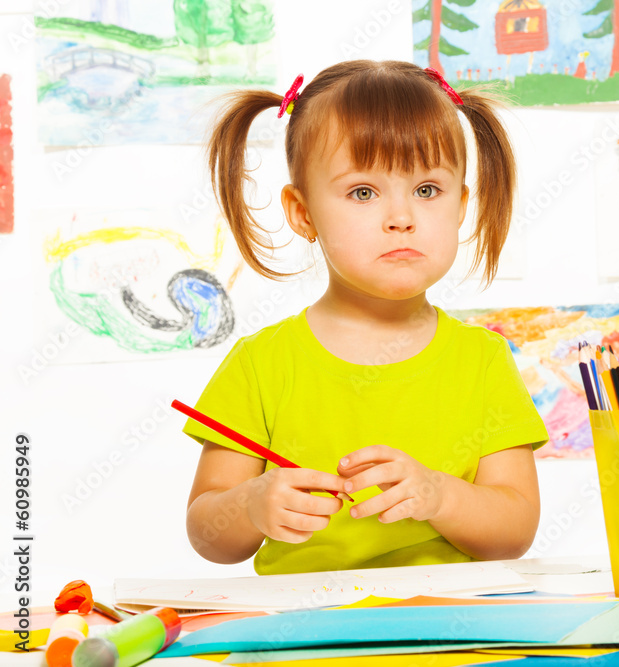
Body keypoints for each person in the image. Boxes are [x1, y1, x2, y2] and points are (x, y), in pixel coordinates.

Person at [183, 60, 548, 575]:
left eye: (427, 190)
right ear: (302, 212)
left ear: (461, 204)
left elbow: (515, 531)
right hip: (301, 640)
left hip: (450, 634)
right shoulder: (260, 364)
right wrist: (249, 504)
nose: (401, 218)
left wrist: (440, 495)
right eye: (362, 192)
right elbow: (207, 534)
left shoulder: (482, 360)